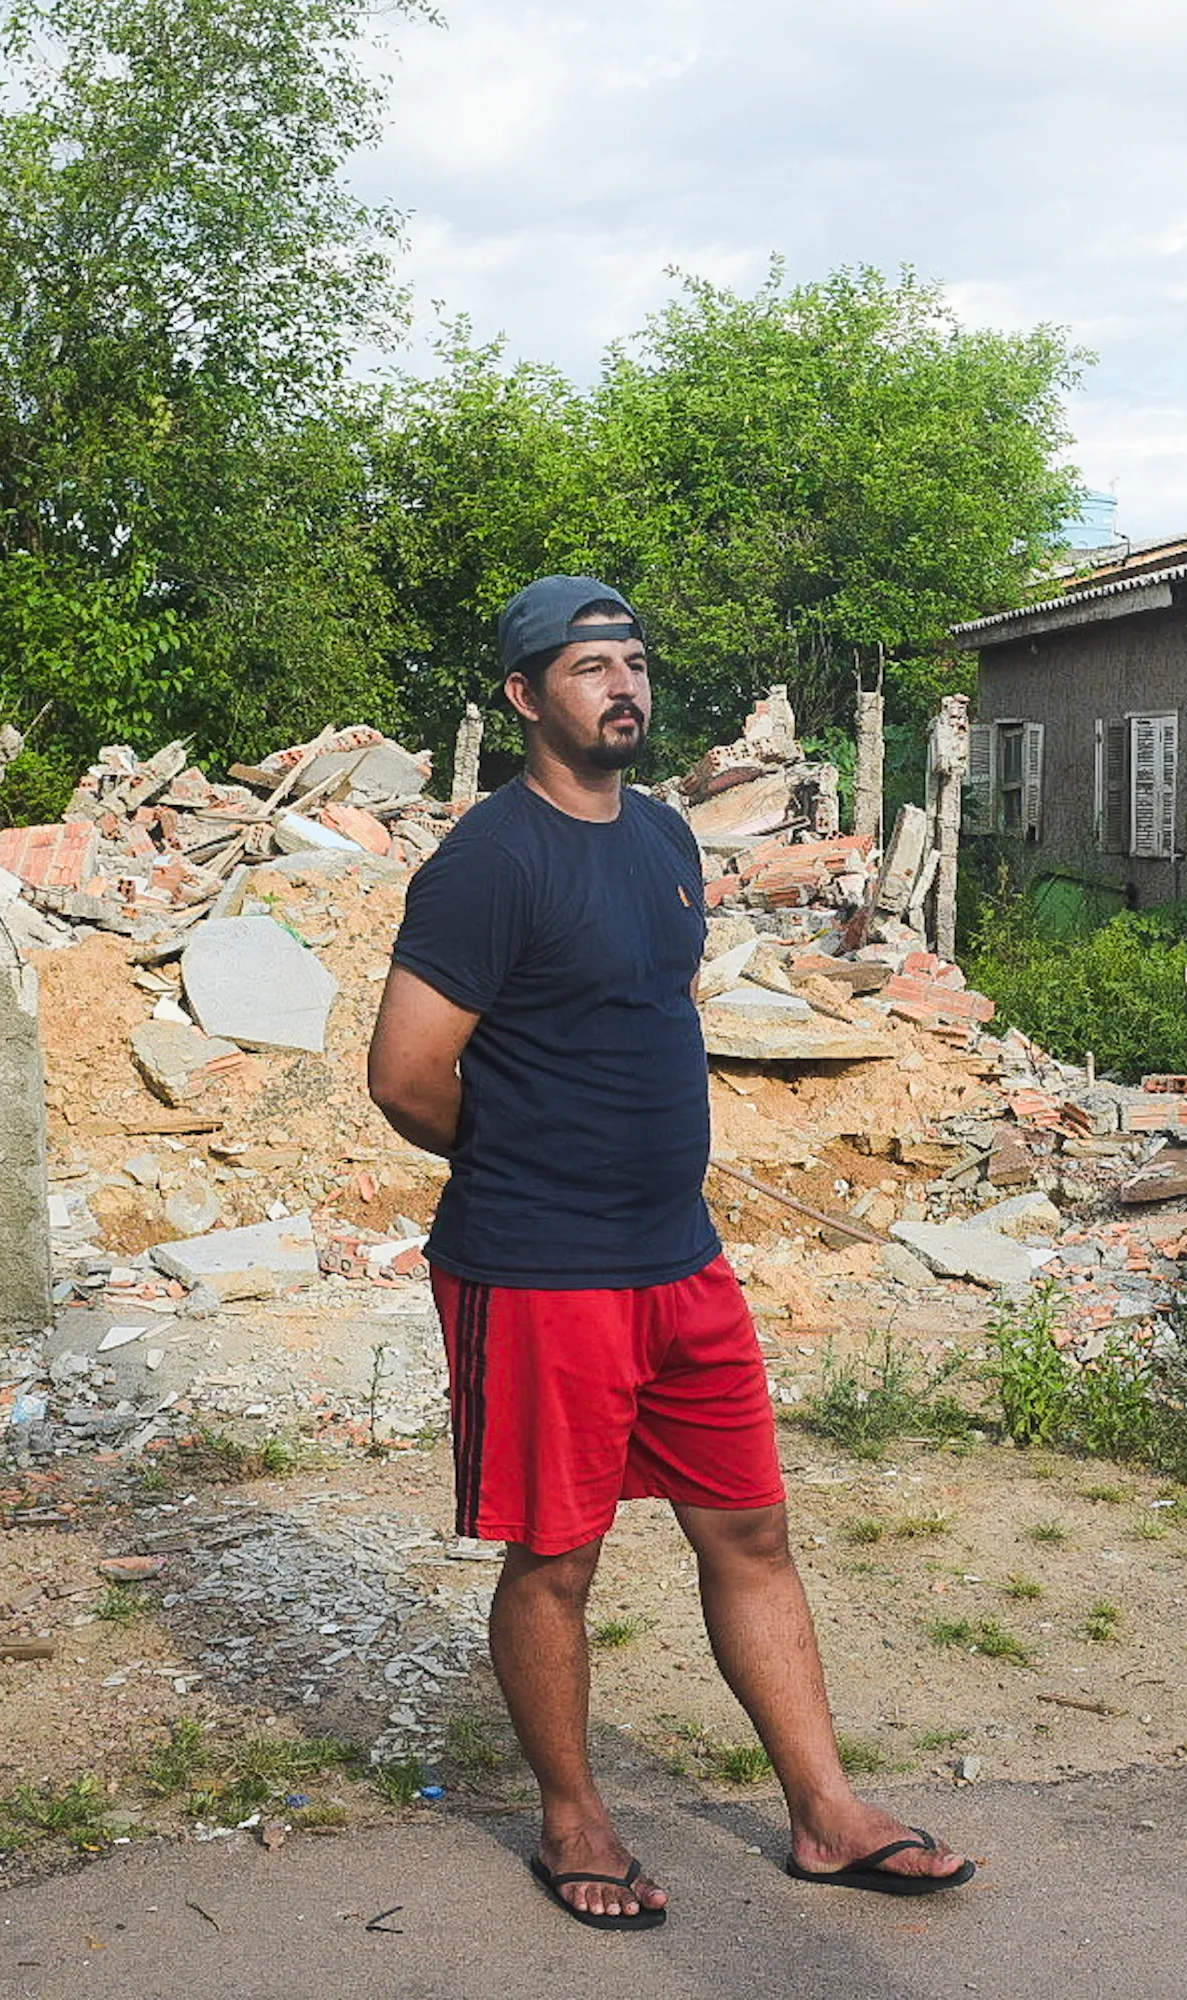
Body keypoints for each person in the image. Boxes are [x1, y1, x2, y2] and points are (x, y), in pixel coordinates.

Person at [366, 576, 975, 1931]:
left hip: (677, 1261)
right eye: (589, 667)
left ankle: (825, 1812)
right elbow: (406, 1077)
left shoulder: (655, 839)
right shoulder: (487, 860)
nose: (622, 685)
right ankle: (575, 1819)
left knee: (750, 1528)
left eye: (634, 662)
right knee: (557, 1557)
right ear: (527, 698)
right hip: (537, 1267)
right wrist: (535, 1157)